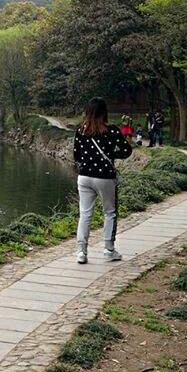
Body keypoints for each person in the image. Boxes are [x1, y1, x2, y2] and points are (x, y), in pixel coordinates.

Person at [72, 97, 133, 264]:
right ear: (104, 112)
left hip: (84, 176)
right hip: (105, 177)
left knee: (85, 214)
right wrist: (112, 155)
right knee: (110, 212)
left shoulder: (80, 131)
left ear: (88, 112)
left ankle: (81, 252)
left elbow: (76, 155)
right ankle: (108, 249)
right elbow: (127, 151)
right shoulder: (111, 130)